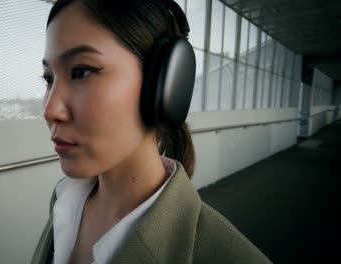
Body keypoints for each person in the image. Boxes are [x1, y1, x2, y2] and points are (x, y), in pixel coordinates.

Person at [32, 0, 271, 263]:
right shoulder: (64, 203)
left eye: (81, 71)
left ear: (164, 83)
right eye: (48, 78)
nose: (50, 110)